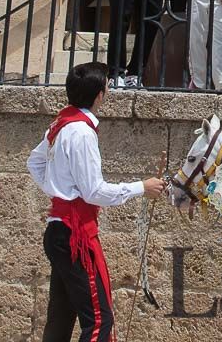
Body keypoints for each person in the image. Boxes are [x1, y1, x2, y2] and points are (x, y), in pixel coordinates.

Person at [27, 62, 166, 342]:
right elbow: (93, 192)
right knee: (100, 320)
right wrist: (141, 187)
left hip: (60, 229)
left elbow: (35, 162)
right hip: (74, 235)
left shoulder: (61, 124)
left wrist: (58, 193)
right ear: (100, 94)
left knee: (61, 316)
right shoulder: (81, 132)